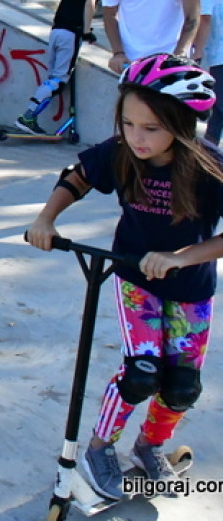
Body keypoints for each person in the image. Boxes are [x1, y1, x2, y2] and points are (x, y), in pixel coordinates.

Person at [26, 54, 223, 501]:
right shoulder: (121, 152)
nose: (136, 137)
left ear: (183, 123)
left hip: (192, 288)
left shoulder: (210, 166)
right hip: (136, 281)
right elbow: (77, 177)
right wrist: (46, 219)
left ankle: (151, 447)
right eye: (129, 123)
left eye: (151, 128)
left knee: (182, 385)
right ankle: (98, 449)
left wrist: (183, 257)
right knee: (142, 371)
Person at [13, 0, 108, 135]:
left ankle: (29, 115)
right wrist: (87, 31)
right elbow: (90, 4)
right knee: (59, 80)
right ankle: (28, 116)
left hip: (56, 31)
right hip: (70, 34)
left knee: (54, 78)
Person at [191, 0, 223, 144]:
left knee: (220, 105)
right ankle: (210, 150)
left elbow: (204, 18)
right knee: (217, 108)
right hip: (218, 52)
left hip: (218, 53)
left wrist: (197, 50)